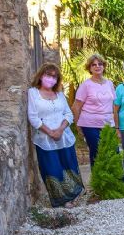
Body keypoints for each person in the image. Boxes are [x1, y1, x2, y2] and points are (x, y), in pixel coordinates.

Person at [28, 63, 83, 208]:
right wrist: (51, 132)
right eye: (48, 75)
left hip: (64, 137)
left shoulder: (59, 94)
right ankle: (61, 199)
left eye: (54, 76)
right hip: (45, 140)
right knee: (52, 168)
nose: (51, 78)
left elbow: (68, 114)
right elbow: (33, 118)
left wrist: (60, 130)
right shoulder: (33, 93)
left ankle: (72, 196)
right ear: (40, 76)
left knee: (68, 165)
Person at [72, 53, 115, 165]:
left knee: (113, 152)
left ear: (104, 66)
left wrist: (117, 125)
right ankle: (98, 181)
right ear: (89, 68)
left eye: (100, 64)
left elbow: (114, 105)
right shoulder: (86, 85)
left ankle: (114, 181)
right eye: (93, 65)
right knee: (97, 153)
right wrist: (78, 126)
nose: (97, 66)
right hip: (90, 124)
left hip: (108, 123)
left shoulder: (109, 83)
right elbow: (76, 107)